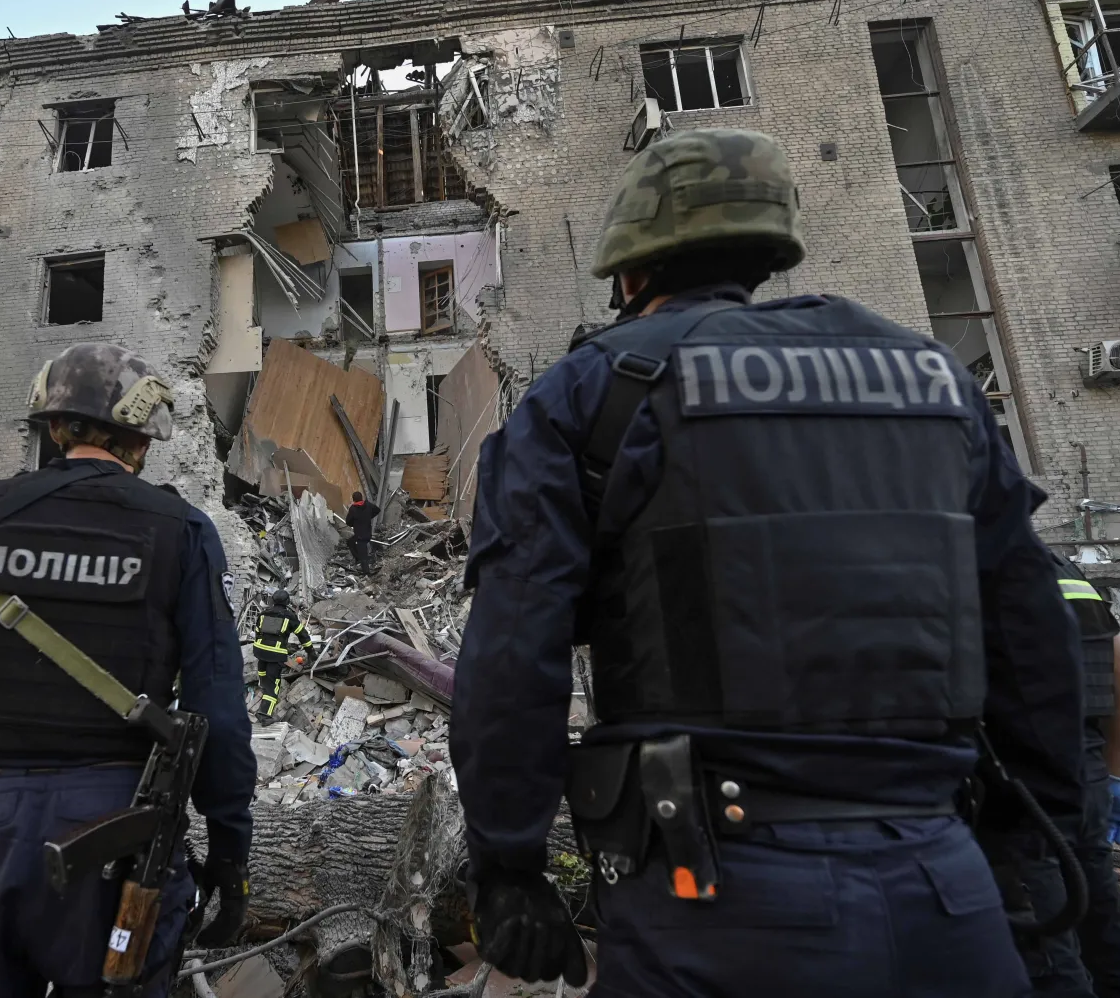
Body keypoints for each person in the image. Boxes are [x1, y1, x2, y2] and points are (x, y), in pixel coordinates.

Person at [450, 128, 1085, 997]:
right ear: (771, 246)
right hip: (945, 882)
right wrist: (1031, 841)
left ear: (630, 272)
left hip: (709, 899)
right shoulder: (933, 380)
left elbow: (516, 652)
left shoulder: (597, 391)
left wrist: (510, 866)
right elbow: (1032, 636)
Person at [0, 343, 256, 998]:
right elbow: (216, 709)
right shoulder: (181, 531)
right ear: (142, 439)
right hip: (117, 832)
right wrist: (229, 851)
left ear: (53, 426)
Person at [1048, 560, 1120, 997]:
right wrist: (1113, 776)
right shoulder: (1058, 568)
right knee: (1106, 936)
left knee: (1049, 954)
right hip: (1086, 776)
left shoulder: (965, 566)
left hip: (1015, 792)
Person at [250, 589, 312, 725]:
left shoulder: (263, 614)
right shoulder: (289, 616)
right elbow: (303, 635)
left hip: (260, 652)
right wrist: (311, 653)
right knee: (274, 685)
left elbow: (258, 633)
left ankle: (262, 691)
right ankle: (265, 716)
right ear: (287, 602)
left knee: (264, 678)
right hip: (275, 654)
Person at [345, 492, 379, 573]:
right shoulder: (368, 505)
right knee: (350, 542)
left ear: (353, 499)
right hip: (367, 533)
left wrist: (354, 523)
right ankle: (359, 559)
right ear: (361, 497)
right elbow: (377, 510)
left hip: (360, 535)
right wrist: (369, 516)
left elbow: (348, 522)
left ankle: (366, 574)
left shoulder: (353, 509)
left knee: (363, 555)